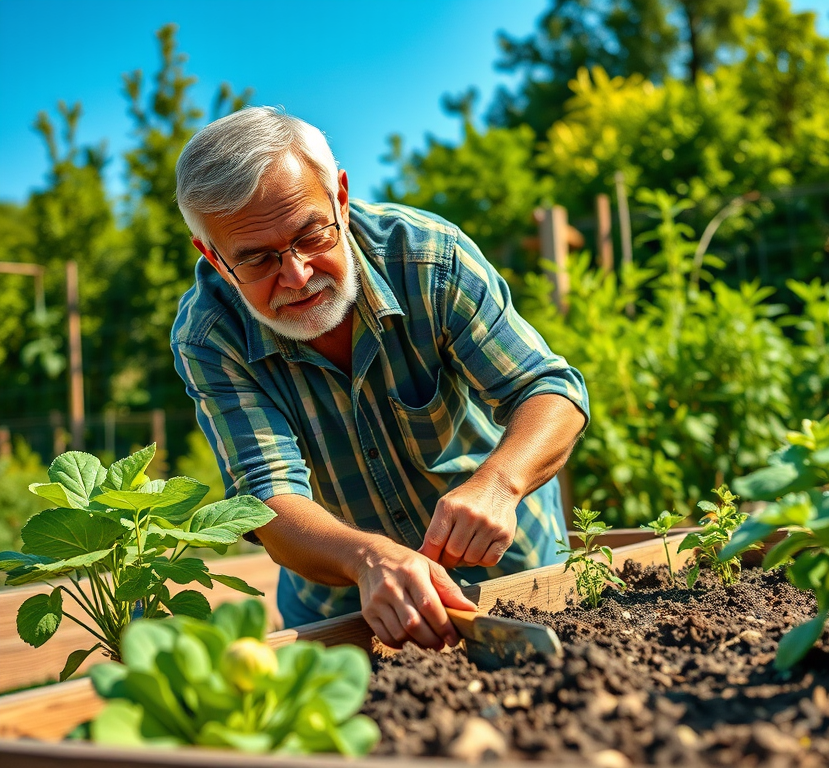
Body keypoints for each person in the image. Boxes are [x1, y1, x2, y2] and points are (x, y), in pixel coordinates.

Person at [170, 106, 589, 650]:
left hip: (510, 580)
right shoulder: (210, 335)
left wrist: (498, 484)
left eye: (311, 234)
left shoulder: (428, 260)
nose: (296, 274)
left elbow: (548, 390)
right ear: (213, 255)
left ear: (340, 198)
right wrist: (368, 559)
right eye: (257, 260)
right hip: (345, 607)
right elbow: (267, 497)